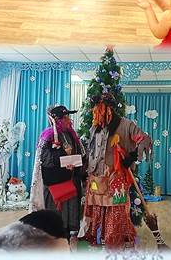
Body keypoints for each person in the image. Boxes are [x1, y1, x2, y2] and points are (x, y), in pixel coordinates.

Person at [81, 92, 152, 248]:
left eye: (100, 109)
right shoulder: (94, 128)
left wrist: (132, 156)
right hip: (96, 176)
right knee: (97, 206)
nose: (97, 113)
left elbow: (144, 139)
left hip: (116, 177)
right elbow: (91, 150)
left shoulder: (126, 125)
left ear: (109, 109)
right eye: (95, 110)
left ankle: (115, 240)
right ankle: (98, 238)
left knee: (116, 208)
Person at [29, 105, 86, 245]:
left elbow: (80, 153)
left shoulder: (72, 135)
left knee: (72, 208)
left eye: (68, 117)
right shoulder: (48, 136)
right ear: (58, 120)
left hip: (71, 179)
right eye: (65, 118)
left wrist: (76, 163)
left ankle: (71, 233)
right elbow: (45, 159)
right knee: (56, 210)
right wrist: (62, 158)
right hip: (56, 182)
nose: (69, 120)